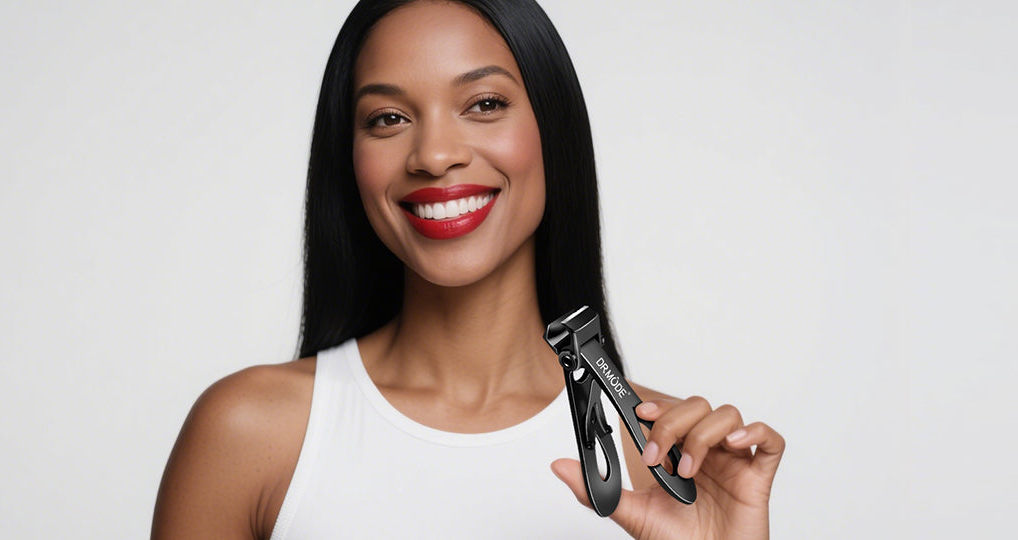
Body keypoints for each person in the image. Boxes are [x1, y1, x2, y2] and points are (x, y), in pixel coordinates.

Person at [151, 1, 785, 538]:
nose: (433, 155)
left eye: (483, 103)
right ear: (348, 158)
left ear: (553, 130)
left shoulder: (668, 462)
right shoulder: (248, 433)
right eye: (388, 118)